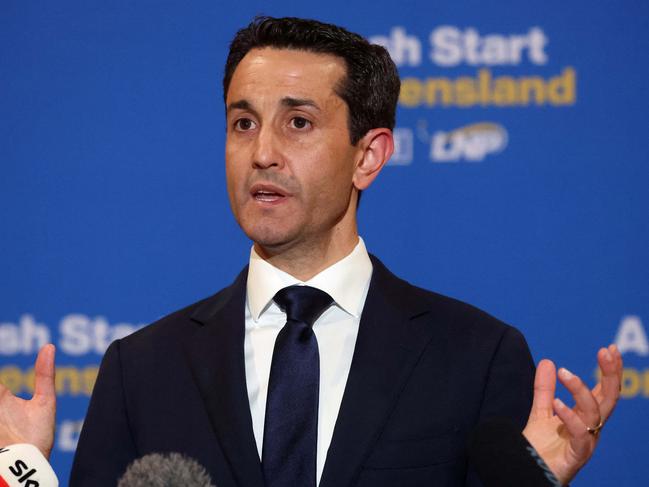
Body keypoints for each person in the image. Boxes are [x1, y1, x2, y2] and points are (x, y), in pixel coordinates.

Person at [0, 17, 622, 487]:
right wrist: (21, 470)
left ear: (368, 155)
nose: (262, 152)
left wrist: (535, 480)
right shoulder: (141, 369)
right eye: (243, 123)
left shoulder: (476, 356)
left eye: (298, 122)